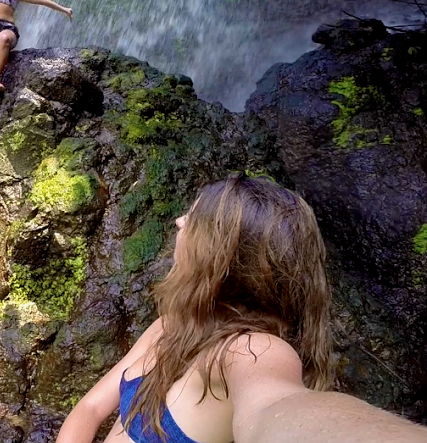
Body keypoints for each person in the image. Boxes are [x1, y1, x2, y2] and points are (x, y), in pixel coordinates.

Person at [57, 173, 427, 443]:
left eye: (193, 218)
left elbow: (279, 408)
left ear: (220, 253)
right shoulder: (173, 322)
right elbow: (90, 409)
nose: (179, 221)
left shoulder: (251, 350)